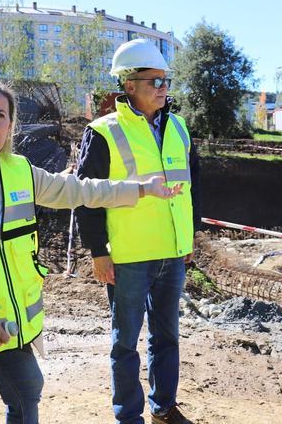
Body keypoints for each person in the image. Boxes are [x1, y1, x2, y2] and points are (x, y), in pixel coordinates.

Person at [0, 77, 180, 424]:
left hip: (11, 326)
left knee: (27, 394)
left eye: (0, 115)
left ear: (11, 123)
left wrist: (141, 189)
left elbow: (77, 191)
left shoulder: (18, 170)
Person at [76, 38, 200, 424]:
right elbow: (86, 196)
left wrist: (189, 236)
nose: (163, 89)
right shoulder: (103, 132)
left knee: (167, 337)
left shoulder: (178, 127)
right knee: (125, 344)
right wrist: (98, 251)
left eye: (166, 81)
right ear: (129, 85)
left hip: (172, 252)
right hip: (128, 255)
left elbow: (193, 187)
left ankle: (163, 406)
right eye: (154, 82)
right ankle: (128, 416)